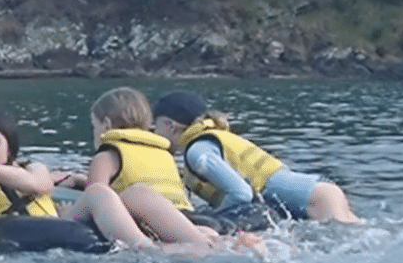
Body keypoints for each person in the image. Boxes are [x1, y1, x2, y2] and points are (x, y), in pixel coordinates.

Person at [53, 87, 243, 254]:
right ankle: (223, 243)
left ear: (106, 125)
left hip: (147, 225)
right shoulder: (162, 152)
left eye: (94, 125)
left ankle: (143, 248)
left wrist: (67, 213)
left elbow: (99, 197)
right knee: (142, 194)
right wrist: (79, 179)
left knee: (98, 193)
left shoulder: (108, 154)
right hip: (187, 220)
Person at [151, 90, 361, 224]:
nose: (154, 131)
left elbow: (241, 193)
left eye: (156, 125)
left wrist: (215, 218)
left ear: (170, 126)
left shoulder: (198, 151)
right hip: (320, 191)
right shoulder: (215, 136)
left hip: (313, 201)